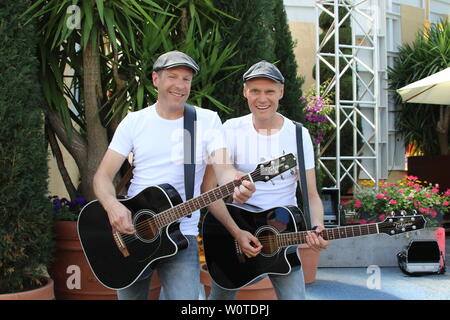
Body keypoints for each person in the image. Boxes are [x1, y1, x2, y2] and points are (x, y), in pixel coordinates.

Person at [92, 51, 260, 300]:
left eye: (186, 79)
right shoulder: (134, 122)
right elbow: (102, 176)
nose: (181, 85)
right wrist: (112, 206)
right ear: (155, 79)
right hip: (133, 233)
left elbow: (224, 170)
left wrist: (237, 180)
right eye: (173, 76)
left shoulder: (205, 121)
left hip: (182, 235)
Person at [202, 60, 330, 300]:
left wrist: (317, 226)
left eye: (269, 91)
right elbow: (208, 190)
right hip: (235, 235)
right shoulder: (230, 129)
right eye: (255, 91)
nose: (262, 99)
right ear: (245, 92)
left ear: (281, 92)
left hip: (282, 234)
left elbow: (311, 195)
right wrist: (235, 230)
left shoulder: (298, 134)